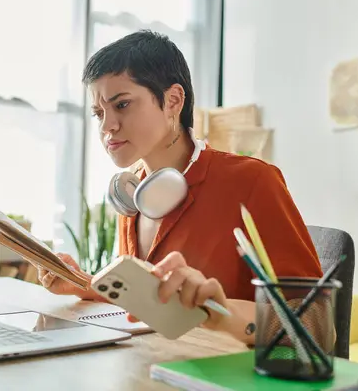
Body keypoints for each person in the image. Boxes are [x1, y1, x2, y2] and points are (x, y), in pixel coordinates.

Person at [36, 30, 323, 346]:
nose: (107, 127)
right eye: (99, 113)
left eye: (122, 105)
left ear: (172, 101)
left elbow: (315, 328)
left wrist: (223, 313)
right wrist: (82, 284)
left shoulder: (252, 181)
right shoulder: (131, 197)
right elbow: (150, 304)